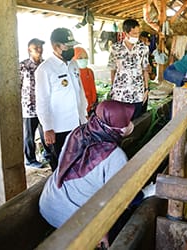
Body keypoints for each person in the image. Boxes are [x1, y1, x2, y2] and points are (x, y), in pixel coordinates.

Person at [39, 100, 155, 247]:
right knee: (123, 218)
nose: (130, 123)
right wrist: (147, 192)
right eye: (126, 121)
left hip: (48, 201)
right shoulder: (114, 156)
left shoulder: (78, 132)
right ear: (117, 129)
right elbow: (124, 197)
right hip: (69, 218)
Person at [35, 27, 88, 171]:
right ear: (55, 46)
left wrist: (84, 113)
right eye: (67, 46)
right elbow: (42, 101)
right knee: (62, 164)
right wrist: (47, 127)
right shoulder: (45, 69)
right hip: (59, 128)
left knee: (79, 159)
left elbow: (80, 91)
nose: (71, 49)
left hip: (77, 123)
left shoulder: (73, 64)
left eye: (72, 46)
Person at [107, 19, 150, 120]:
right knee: (120, 122)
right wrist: (113, 87)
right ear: (125, 33)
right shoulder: (115, 48)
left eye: (138, 33)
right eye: (134, 33)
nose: (137, 36)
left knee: (136, 122)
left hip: (137, 93)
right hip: (120, 93)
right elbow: (112, 69)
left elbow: (145, 70)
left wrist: (146, 89)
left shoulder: (143, 48)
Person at [20, 38, 51, 168]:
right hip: (29, 107)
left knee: (46, 132)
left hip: (43, 105)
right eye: (36, 48)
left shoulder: (45, 65)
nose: (40, 49)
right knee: (29, 136)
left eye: (41, 47)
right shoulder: (23, 66)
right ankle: (30, 160)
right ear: (29, 50)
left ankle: (48, 155)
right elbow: (18, 85)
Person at [73, 47, 98, 116]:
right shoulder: (72, 73)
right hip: (79, 107)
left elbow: (93, 87)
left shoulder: (89, 71)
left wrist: (94, 101)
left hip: (90, 106)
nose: (83, 60)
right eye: (80, 58)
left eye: (85, 57)